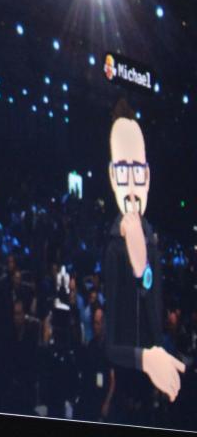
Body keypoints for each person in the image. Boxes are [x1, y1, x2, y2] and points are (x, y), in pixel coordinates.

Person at [103, 106, 184, 407]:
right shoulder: (113, 248)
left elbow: (154, 319)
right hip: (125, 391)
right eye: (124, 171)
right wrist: (145, 359)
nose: (133, 185)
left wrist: (142, 270)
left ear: (147, 176)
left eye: (137, 171)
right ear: (113, 176)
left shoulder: (152, 242)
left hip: (151, 396)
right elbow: (111, 346)